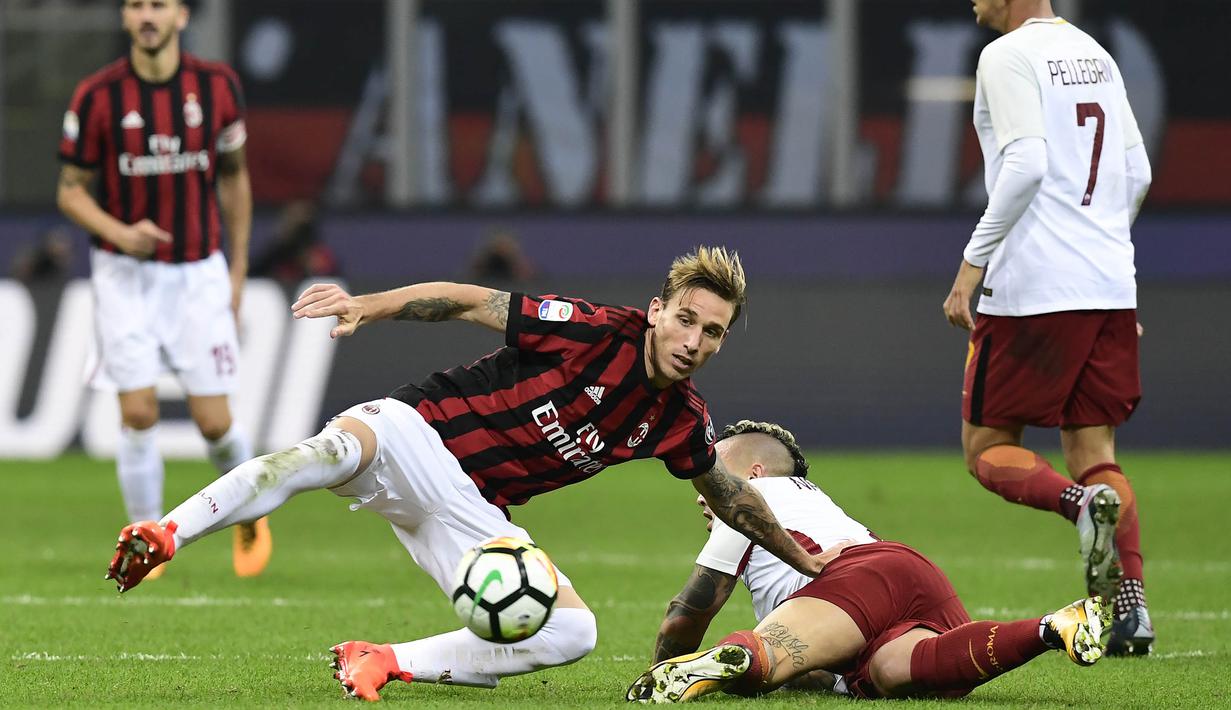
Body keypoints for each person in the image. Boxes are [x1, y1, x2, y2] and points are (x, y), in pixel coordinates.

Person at [104, 246, 836, 701]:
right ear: (656, 311)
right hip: (414, 433)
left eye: (712, 331)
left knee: (574, 635)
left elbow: (731, 498)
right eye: (685, 319)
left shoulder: (678, 418)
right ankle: (167, 531)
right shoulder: (589, 329)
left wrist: (805, 560)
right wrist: (367, 306)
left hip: (474, 512)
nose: (694, 340)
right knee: (317, 456)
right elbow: (465, 301)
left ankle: (384, 660)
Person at [940, 0, 1153, 655]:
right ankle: (1131, 610)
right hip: (1108, 283)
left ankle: (1077, 506)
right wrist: (1106, 268)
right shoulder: (1094, 53)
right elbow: (1136, 172)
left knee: (986, 447)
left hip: (1032, 285)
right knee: (1095, 454)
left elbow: (1025, 163)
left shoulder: (1005, 55)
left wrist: (969, 268)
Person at [626, 420, 1112, 703]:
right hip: (905, 572)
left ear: (752, 473)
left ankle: (745, 659)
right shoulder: (813, 497)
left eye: (717, 472)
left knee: (764, 660)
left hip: (852, 584)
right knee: (894, 671)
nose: (705, 489)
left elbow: (689, 610)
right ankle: (1052, 627)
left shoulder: (748, 500)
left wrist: (660, 671)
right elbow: (823, 661)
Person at [56, 0, 270, 578]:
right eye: (135, 5)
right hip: (122, 277)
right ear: (125, 19)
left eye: (158, 4)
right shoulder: (98, 97)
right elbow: (71, 191)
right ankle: (148, 539)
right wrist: (121, 234)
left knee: (214, 424)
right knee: (139, 411)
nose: (146, 15)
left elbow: (234, 177)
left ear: (181, 15)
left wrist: (238, 268)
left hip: (198, 271)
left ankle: (252, 512)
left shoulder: (217, 86)